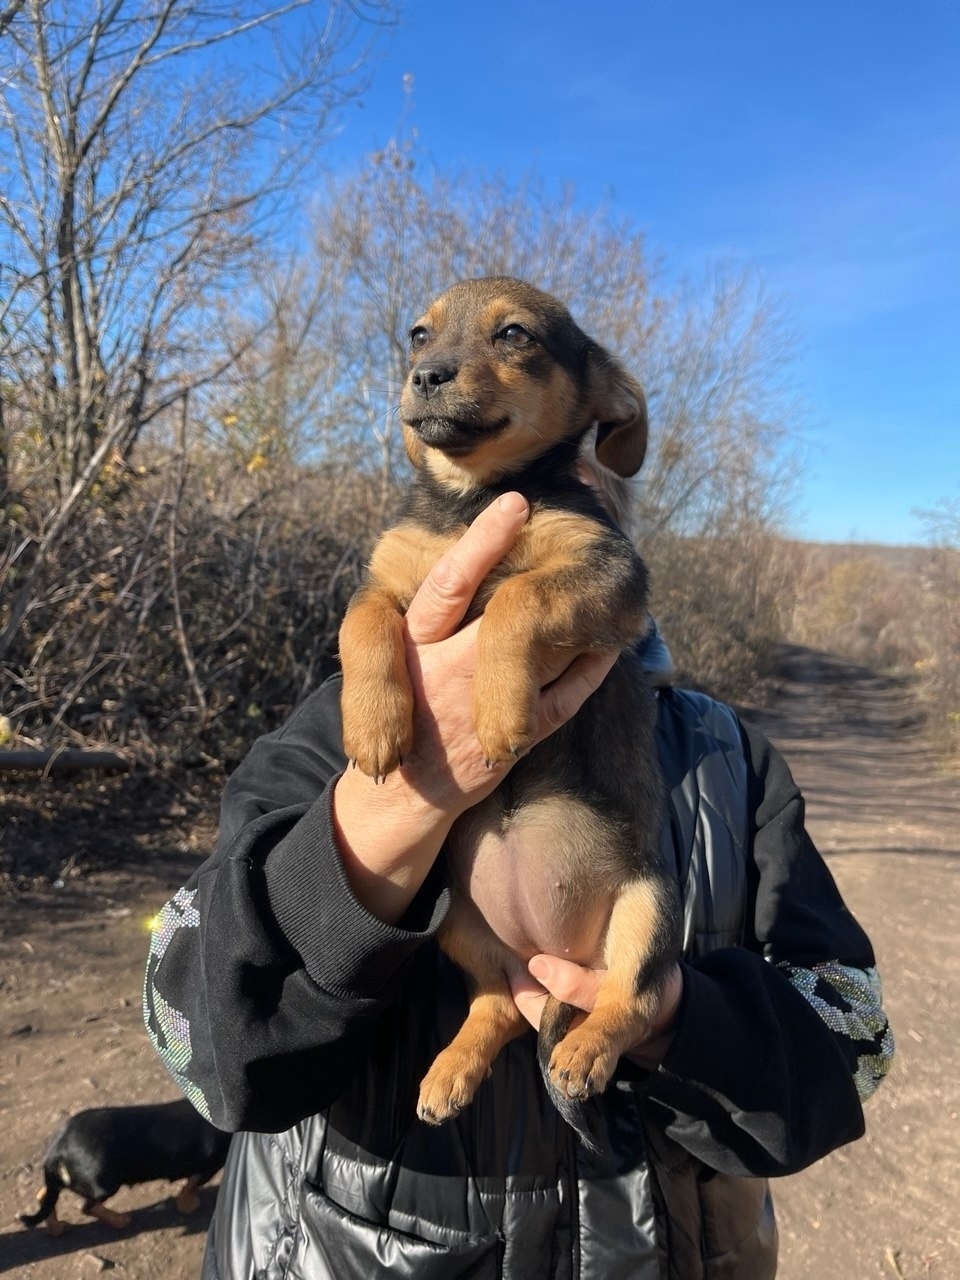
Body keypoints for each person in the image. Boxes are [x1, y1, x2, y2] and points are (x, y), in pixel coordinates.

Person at [143, 489, 893, 1280]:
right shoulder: (350, 724)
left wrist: (675, 1020)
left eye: (562, 475)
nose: (517, 505)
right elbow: (201, 1048)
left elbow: (857, 1052)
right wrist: (397, 803)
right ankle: (491, 1011)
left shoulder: (727, 756)